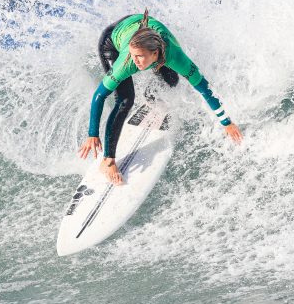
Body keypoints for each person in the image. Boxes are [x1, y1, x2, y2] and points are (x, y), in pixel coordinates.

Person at [78, 10, 243, 185]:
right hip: (113, 40)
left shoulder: (175, 56)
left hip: (144, 34)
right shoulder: (126, 61)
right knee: (125, 100)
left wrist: (226, 123)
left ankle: (150, 97)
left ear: (156, 54)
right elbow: (99, 95)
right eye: (133, 56)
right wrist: (92, 133)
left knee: (171, 80)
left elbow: (203, 87)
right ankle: (108, 161)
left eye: (139, 57)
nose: (134, 61)